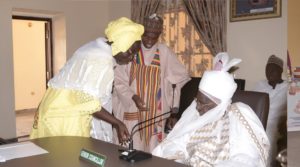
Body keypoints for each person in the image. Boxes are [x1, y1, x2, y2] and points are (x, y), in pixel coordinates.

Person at [29, 17, 144, 144]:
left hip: (52, 105)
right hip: (64, 115)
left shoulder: (94, 47)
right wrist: (117, 123)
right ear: (122, 44)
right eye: (131, 52)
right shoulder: (101, 60)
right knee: (69, 156)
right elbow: (90, 103)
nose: (132, 58)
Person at [152, 52, 270, 167]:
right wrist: (179, 161)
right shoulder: (195, 111)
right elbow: (176, 143)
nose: (197, 107)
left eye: (204, 103)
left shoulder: (237, 114)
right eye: (197, 100)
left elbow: (246, 159)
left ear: (220, 103)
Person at [112, 13, 190, 152]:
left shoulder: (164, 52)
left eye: (154, 37)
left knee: (154, 150)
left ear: (159, 34)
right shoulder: (131, 49)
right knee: (130, 146)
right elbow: (118, 80)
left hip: (156, 111)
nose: (149, 40)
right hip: (131, 108)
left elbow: (178, 80)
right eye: (146, 35)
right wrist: (133, 96)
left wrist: (173, 110)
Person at [253, 55, 288, 167]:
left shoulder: (288, 87)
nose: (269, 73)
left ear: (281, 70)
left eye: (273, 70)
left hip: (275, 126)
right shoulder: (259, 85)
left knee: (267, 138)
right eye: (267, 70)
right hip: (256, 122)